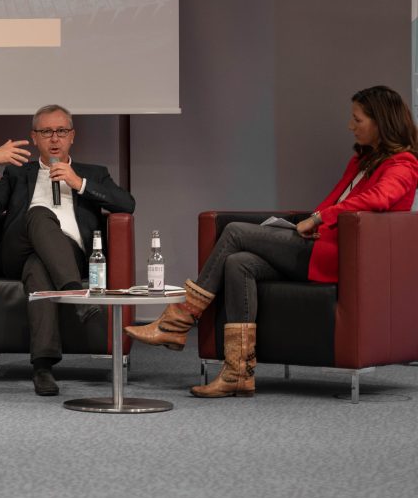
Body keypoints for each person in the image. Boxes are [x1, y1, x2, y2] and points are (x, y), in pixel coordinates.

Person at [126, 86, 418, 398]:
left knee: (236, 231)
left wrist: (319, 219)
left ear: (381, 122)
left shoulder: (404, 164)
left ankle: (181, 319)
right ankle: (238, 373)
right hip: (318, 246)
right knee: (238, 263)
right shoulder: (362, 162)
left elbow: (378, 198)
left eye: (357, 119)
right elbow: (333, 203)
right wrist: (313, 221)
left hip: (336, 257)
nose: (351, 126)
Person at [0, 104, 135, 395]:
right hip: (15, 251)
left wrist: (79, 183)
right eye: (46, 132)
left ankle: (43, 367)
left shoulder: (93, 173)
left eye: (61, 131)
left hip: (70, 255)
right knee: (38, 214)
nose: (54, 139)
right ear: (34, 138)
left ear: (72, 136)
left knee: (38, 267)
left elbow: (127, 205)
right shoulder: (17, 173)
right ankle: (75, 294)